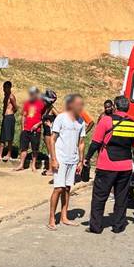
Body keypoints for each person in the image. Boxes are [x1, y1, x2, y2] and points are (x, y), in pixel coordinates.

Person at [84, 96, 134, 234]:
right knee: (121, 197)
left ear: (115, 107)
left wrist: (87, 158)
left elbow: (96, 143)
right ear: (128, 108)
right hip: (125, 167)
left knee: (99, 197)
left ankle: (96, 227)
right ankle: (118, 226)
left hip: (106, 165)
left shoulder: (106, 120)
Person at [47, 94, 87, 230]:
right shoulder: (61, 118)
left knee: (68, 188)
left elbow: (81, 143)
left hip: (73, 159)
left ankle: (64, 216)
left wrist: (81, 161)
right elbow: (52, 139)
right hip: (60, 158)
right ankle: (52, 218)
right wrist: (53, 159)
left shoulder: (81, 122)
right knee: (58, 188)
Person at [15, 87, 44, 171]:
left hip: (36, 130)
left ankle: (33, 165)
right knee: (24, 148)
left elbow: (44, 117)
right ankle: (21, 164)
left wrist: (38, 124)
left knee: (35, 149)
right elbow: (24, 115)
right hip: (26, 129)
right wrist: (22, 128)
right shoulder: (27, 103)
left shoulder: (41, 104)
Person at [0, 81, 18, 161]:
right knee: (2, 136)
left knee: (9, 136)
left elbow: (16, 107)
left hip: (9, 117)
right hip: (5, 117)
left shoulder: (11, 96)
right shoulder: (5, 96)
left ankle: (9, 154)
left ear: (9, 87)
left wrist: (10, 113)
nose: (4, 89)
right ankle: (0, 153)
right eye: (4, 87)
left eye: (6, 87)